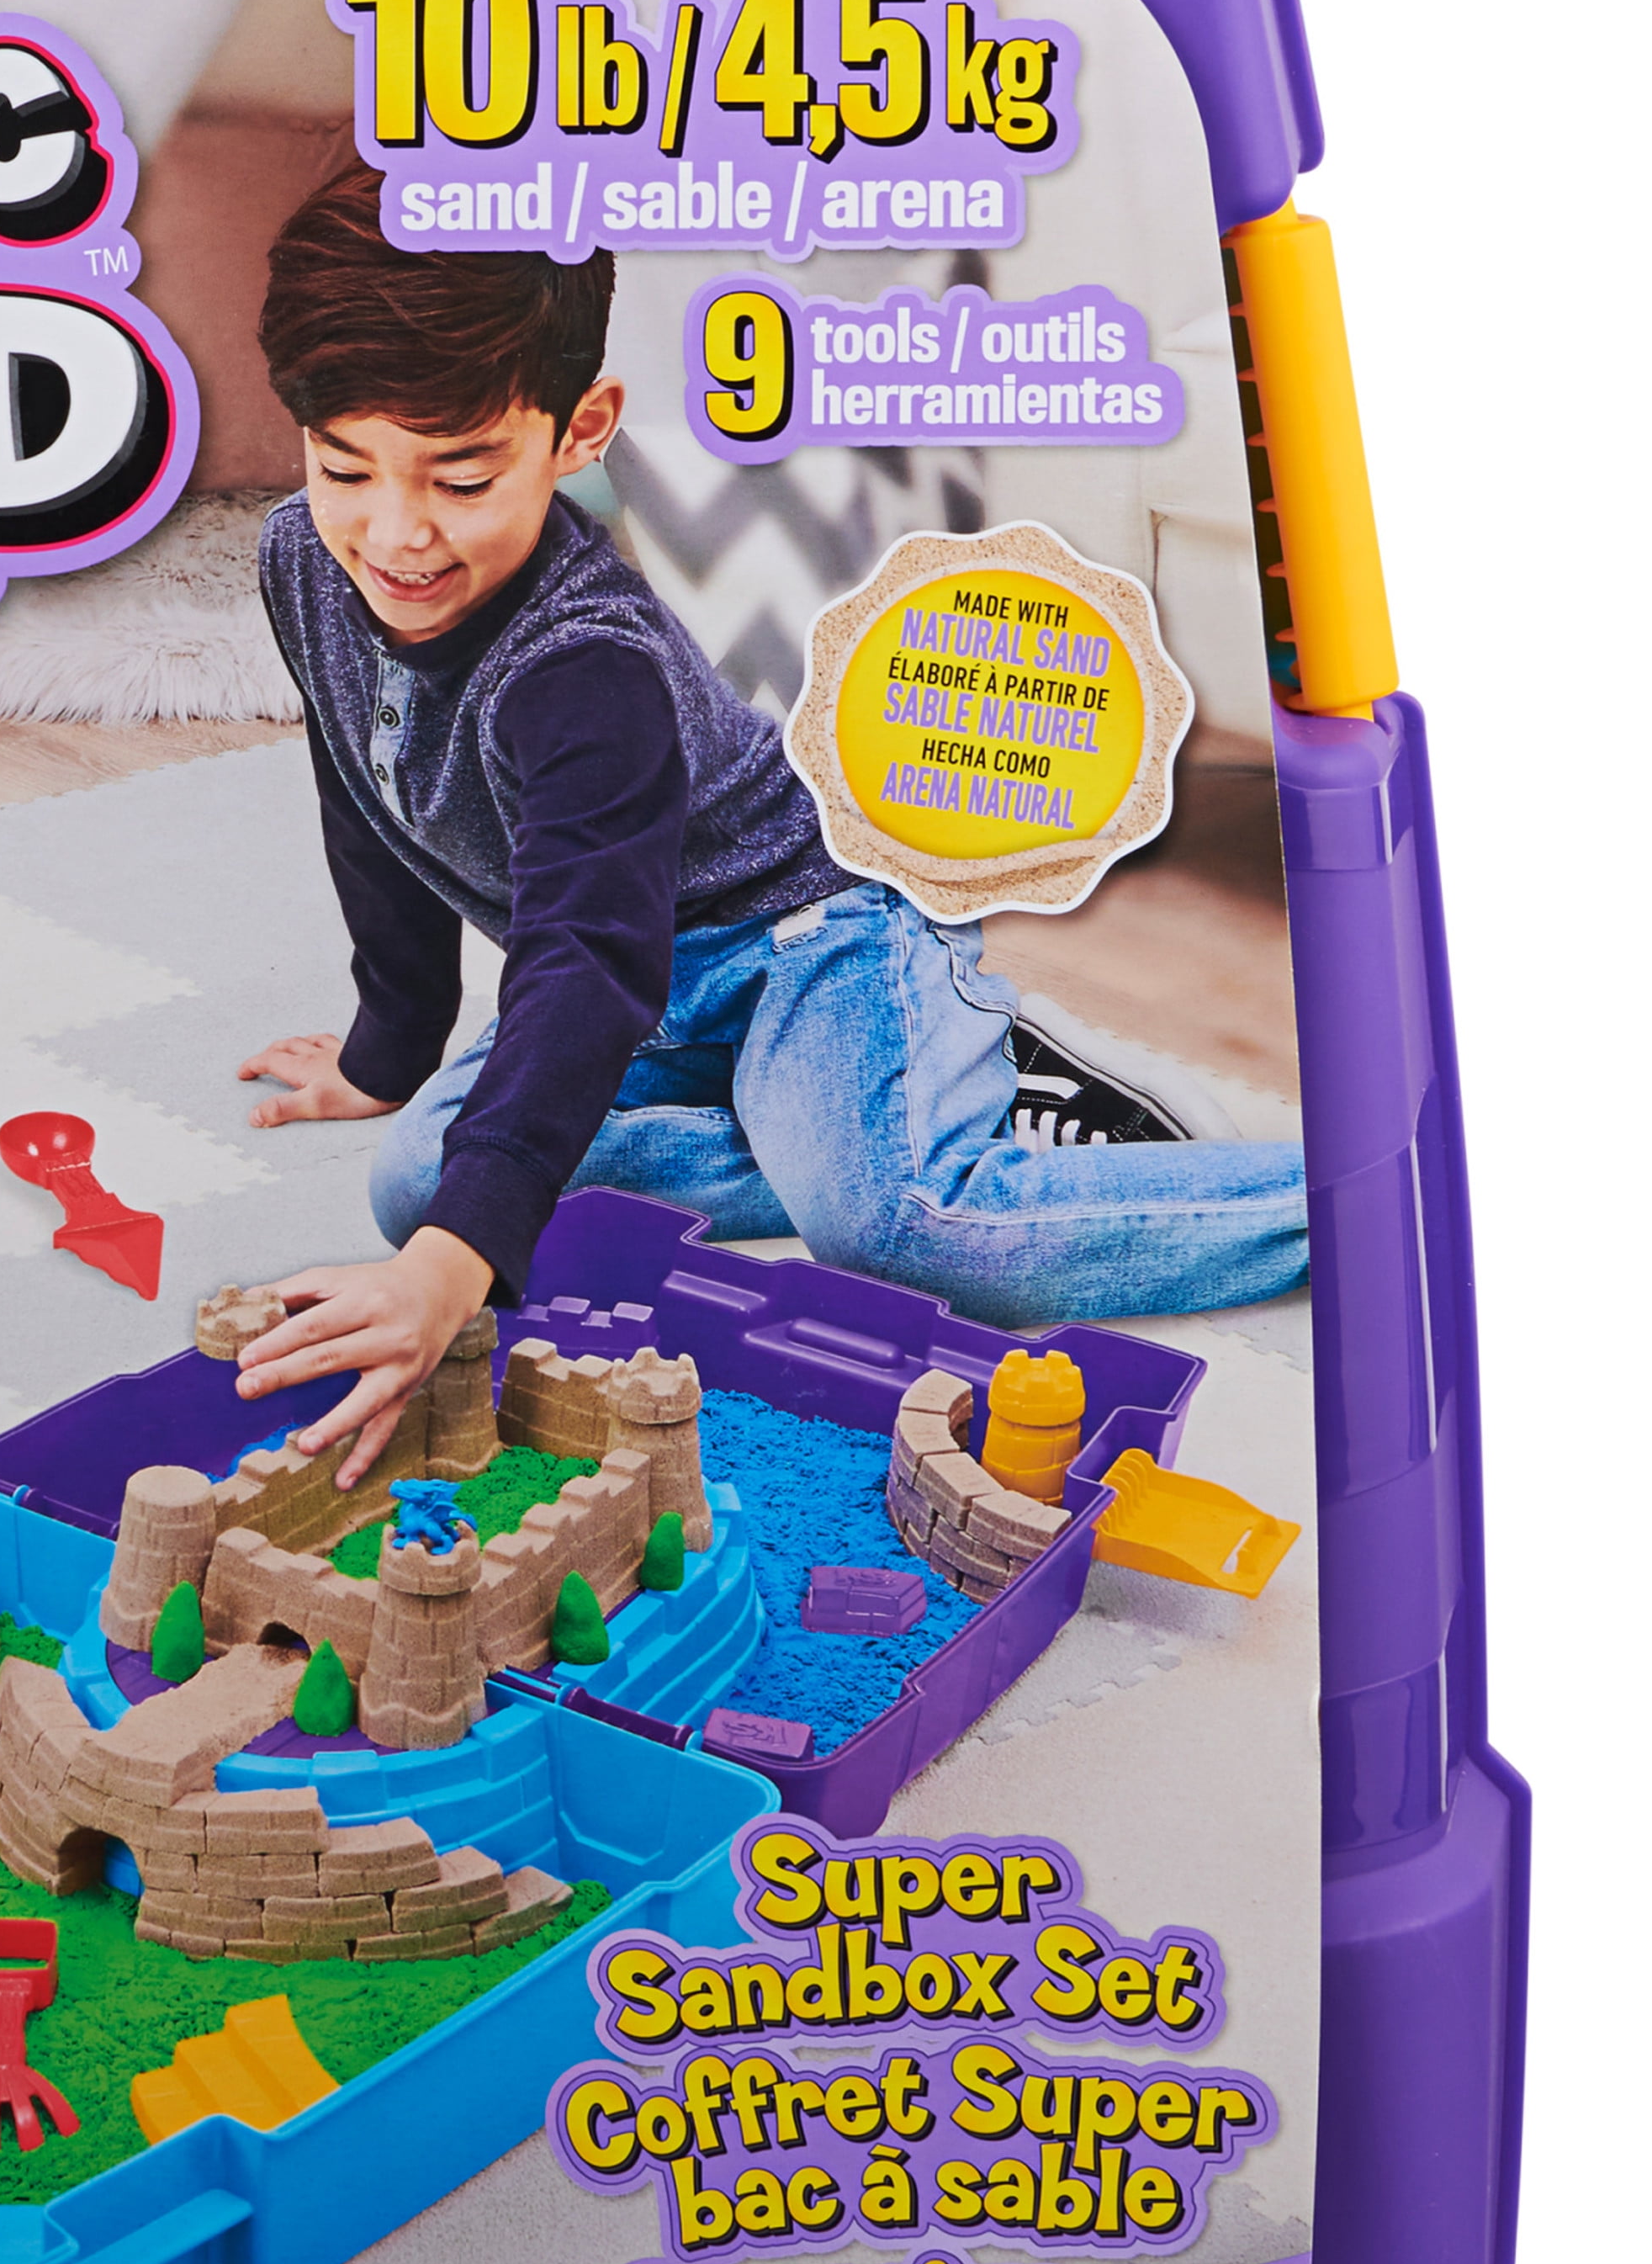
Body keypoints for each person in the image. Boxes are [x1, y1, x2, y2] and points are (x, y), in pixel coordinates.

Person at [228, 162, 1306, 1486]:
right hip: (644, 985)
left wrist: (454, 1269)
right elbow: (369, 788)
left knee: (892, 1227)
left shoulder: (585, 667)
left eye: (461, 476)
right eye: (344, 466)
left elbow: (582, 960)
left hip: (806, 937)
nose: (395, 533)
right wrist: (387, 1051)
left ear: (580, 429)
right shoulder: (301, 561)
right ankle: (875, 1111)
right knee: (418, 1185)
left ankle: (1333, 1196)